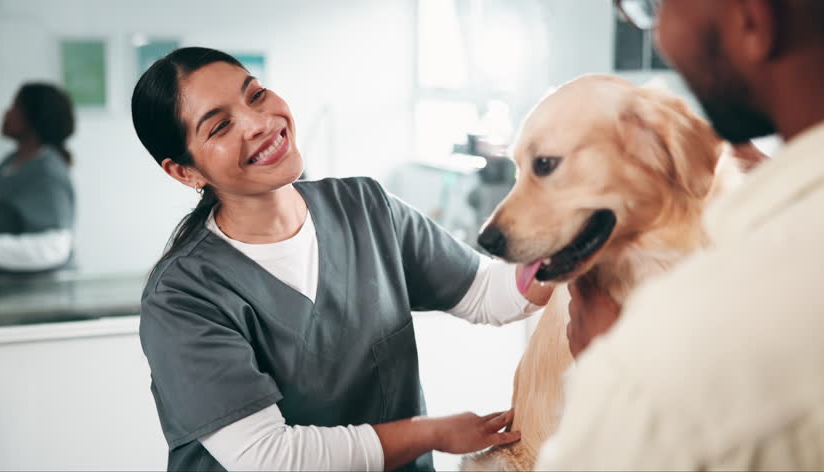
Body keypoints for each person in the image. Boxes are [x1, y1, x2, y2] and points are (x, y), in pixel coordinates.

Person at [131, 47, 553, 472]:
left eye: (256, 95)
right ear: (185, 172)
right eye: (221, 125)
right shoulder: (182, 297)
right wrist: (433, 433)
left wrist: (573, 250)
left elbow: (485, 292)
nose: (259, 123)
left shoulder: (365, 208)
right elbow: (268, 458)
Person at [537, 0, 824, 469]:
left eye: (658, 4)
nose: (659, 36)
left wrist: (613, 365)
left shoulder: (654, 374)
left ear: (751, 19)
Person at [0, 83, 76, 274]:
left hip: (34, 291)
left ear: (34, 116)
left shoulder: (48, 171)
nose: (6, 113)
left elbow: (55, 245)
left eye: (15, 107)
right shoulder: (11, 162)